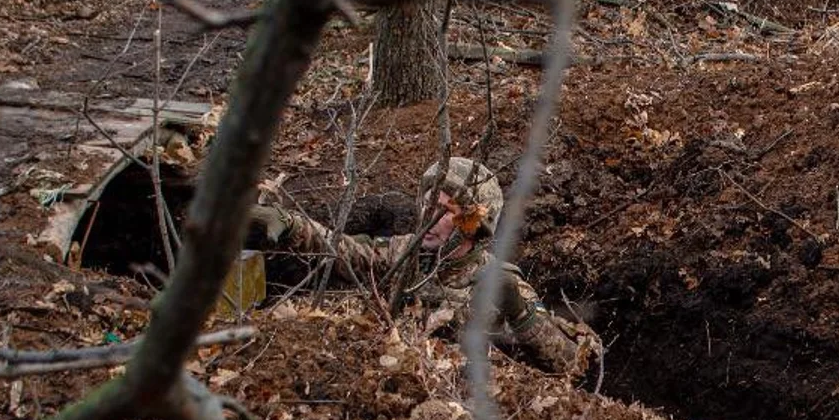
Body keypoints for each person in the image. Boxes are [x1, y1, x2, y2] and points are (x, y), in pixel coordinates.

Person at [249, 157, 592, 375]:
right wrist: (292, 223)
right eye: (427, 205)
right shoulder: (403, 254)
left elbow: (569, 365)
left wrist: (520, 314)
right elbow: (346, 250)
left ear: (471, 225)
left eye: (444, 211)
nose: (428, 218)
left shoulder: (501, 282)